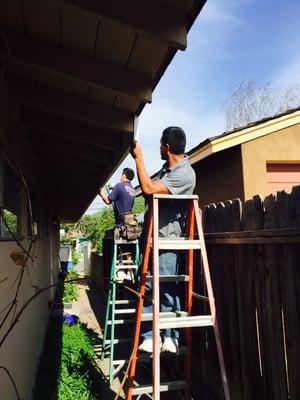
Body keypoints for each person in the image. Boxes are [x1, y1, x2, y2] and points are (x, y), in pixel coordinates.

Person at [130, 126, 196, 353]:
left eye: (160, 144)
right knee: (148, 288)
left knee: (167, 289)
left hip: (167, 241)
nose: (158, 147)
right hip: (151, 239)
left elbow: (148, 190)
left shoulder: (184, 174)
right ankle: (151, 336)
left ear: (167, 147)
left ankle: (171, 336)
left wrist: (139, 159)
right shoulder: (166, 171)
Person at [99, 168, 136, 282]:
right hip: (131, 221)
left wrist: (100, 192)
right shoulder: (133, 189)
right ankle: (129, 272)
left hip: (121, 222)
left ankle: (120, 272)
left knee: (118, 246)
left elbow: (108, 200)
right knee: (128, 247)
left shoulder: (119, 186)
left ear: (124, 175)